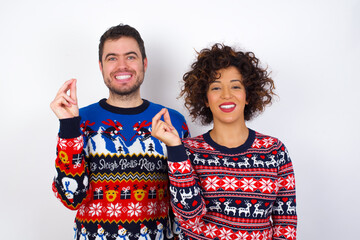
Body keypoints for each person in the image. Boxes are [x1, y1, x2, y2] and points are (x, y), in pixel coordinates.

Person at [50, 24, 189, 240]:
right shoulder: (78, 121)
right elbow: (72, 197)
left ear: (144, 63)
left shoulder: (172, 122)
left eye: (130, 57)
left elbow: (183, 204)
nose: (122, 66)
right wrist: (69, 127)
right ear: (101, 66)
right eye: (112, 58)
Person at [151, 44, 297, 240]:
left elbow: (285, 225)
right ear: (205, 99)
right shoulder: (188, 152)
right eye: (216, 87)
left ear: (247, 96)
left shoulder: (274, 151)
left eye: (236, 86)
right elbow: (188, 220)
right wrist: (175, 148)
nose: (226, 94)